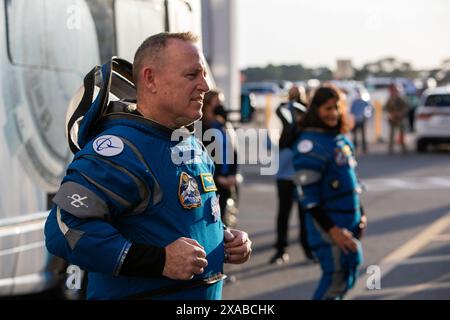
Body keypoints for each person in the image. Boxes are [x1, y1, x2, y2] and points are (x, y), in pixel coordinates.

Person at [44, 32, 252, 300]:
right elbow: (63, 229)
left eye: (203, 75)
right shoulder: (117, 150)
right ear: (150, 79)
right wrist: (159, 260)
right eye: (192, 75)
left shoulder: (191, 144)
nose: (204, 86)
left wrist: (225, 238)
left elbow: (175, 219)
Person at [292, 86, 367, 300]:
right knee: (334, 280)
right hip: (329, 229)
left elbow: (352, 183)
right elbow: (309, 200)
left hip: (348, 225)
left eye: (336, 107)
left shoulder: (340, 139)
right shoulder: (309, 144)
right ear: (315, 110)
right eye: (327, 108)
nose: (333, 113)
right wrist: (333, 230)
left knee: (346, 276)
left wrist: (361, 215)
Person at [269, 85, 314, 265]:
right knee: (284, 211)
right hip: (285, 168)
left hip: (301, 170)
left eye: (297, 94)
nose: (294, 98)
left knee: (304, 212)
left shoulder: (307, 115)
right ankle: (281, 249)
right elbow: (283, 116)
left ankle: (308, 248)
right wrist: (290, 105)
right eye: (292, 94)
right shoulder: (285, 111)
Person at [201, 89, 239, 228]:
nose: (221, 106)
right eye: (218, 102)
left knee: (226, 220)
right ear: (207, 104)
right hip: (212, 181)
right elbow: (203, 157)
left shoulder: (223, 125)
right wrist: (217, 178)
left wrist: (232, 174)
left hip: (227, 179)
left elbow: (233, 151)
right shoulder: (201, 127)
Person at [384, 84, 409, 154]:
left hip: (400, 118)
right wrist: (390, 114)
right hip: (393, 119)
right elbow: (386, 108)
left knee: (401, 134)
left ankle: (403, 148)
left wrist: (400, 113)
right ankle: (391, 148)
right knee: (392, 134)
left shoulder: (400, 98)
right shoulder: (390, 99)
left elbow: (406, 107)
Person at [350, 89, 373, 154]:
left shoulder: (364, 102)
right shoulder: (354, 102)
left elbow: (369, 110)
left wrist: (366, 116)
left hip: (363, 119)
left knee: (363, 135)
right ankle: (354, 148)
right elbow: (351, 111)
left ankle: (364, 149)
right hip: (356, 120)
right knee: (355, 135)